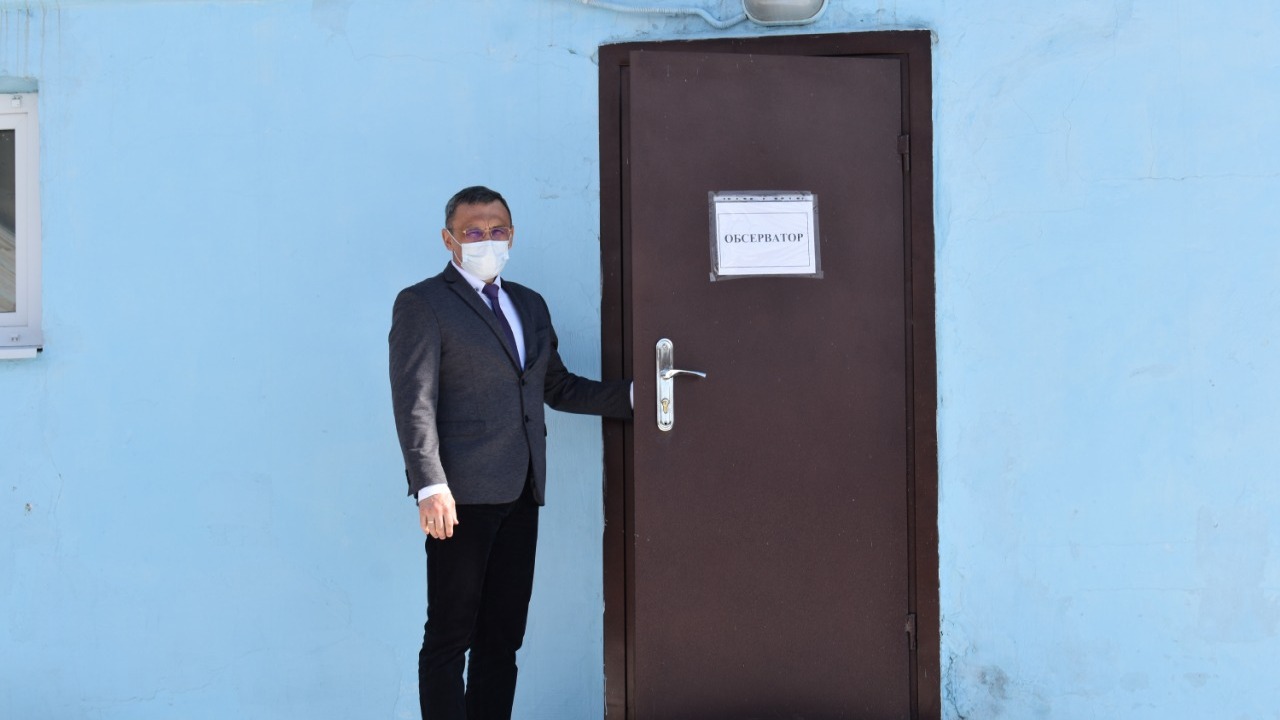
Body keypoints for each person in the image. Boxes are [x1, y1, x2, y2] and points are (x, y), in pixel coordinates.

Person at [389, 186, 632, 720]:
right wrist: (429, 486)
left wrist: (637, 397)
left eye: (497, 229)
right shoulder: (422, 303)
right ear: (449, 240)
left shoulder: (529, 304)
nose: (487, 239)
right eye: (473, 231)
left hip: (522, 489)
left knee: (502, 638)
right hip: (459, 497)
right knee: (450, 636)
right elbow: (414, 402)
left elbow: (557, 387)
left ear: (512, 235)